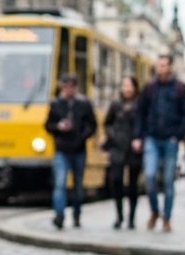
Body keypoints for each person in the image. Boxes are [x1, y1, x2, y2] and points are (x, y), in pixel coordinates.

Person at [134, 55, 185, 232]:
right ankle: (154, 210)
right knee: (150, 177)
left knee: (168, 180)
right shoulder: (150, 87)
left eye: (163, 65)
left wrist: (178, 134)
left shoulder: (179, 88)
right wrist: (139, 136)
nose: (160, 68)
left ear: (170, 67)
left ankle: (167, 217)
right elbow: (140, 112)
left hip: (170, 139)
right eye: (158, 65)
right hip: (152, 137)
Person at [45, 73, 98, 229]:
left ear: (76, 88)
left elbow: (92, 125)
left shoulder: (84, 104)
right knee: (60, 183)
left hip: (78, 149)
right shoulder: (56, 104)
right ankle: (59, 215)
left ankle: (76, 214)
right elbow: (48, 125)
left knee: (78, 185)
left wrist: (82, 136)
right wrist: (58, 127)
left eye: (70, 87)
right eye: (65, 87)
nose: (67, 90)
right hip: (61, 148)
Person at [101, 75, 142, 229]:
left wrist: (139, 139)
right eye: (124, 85)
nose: (126, 89)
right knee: (116, 180)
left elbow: (143, 123)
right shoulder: (116, 104)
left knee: (133, 184)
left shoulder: (139, 105)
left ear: (135, 87)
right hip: (117, 148)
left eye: (129, 85)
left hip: (133, 149)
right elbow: (107, 123)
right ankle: (119, 215)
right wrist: (113, 135)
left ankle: (131, 217)